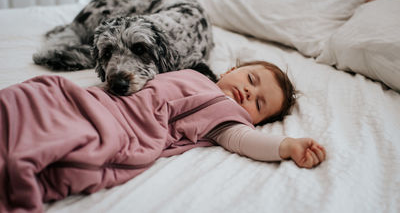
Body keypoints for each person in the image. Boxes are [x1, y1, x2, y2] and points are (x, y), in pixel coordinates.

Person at [0, 60, 325, 212]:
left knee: (61, 148)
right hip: (91, 100)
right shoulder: (193, 74)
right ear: (229, 70)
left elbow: (244, 141)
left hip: (118, 129)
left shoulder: (228, 117)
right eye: (251, 79)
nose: (247, 92)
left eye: (259, 103)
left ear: (256, 119)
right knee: (38, 93)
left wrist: (285, 145)